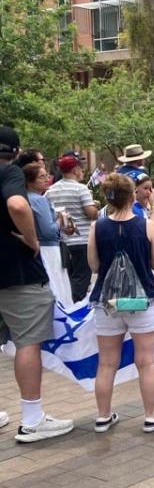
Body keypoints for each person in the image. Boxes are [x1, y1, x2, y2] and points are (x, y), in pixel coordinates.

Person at [0, 126, 74, 443]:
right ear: (16, 152)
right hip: (16, 272)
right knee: (28, 342)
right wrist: (31, 239)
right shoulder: (11, 172)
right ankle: (32, 420)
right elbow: (17, 205)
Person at [87, 173, 154, 434]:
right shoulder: (145, 224)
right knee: (146, 361)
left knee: (106, 362)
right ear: (132, 195)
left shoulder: (97, 227)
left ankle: (103, 416)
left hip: (108, 301)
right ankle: (150, 415)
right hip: (141, 299)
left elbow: (94, 265)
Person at [45, 155, 99, 303]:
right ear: (75, 170)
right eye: (81, 168)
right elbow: (91, 213)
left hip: (62, 242)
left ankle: (67, 304)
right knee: (82, 278)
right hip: (82, 242)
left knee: (67, 278)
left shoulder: (50, 191)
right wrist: (96, 208)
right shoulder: (80, 189)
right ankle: (76, 307)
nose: (82, 172)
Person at [24, 163, 72, 303]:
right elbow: (49, 232)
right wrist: (59, 218)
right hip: (49, 250)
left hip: (37, 250)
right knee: (59, 290)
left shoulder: (26, 197)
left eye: (47, 176)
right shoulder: (39, 200)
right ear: (29, 181)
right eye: (41, 177)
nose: (47, 179)